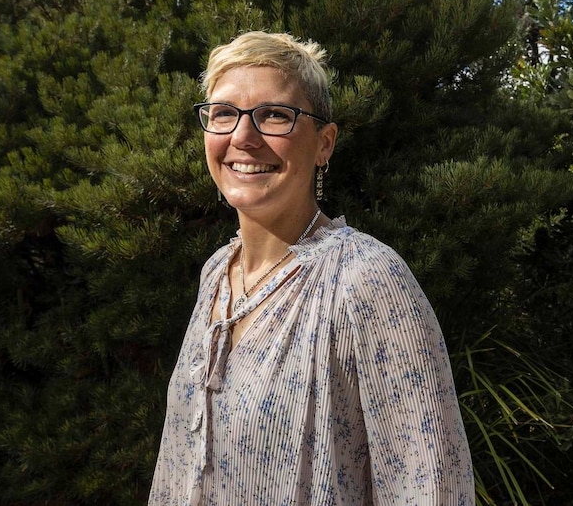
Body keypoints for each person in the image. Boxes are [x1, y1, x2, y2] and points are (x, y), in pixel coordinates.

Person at [148, 31, 475, 505]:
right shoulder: (217, 272)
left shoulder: (367, 279)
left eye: (274, 115)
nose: (242, 137)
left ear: (324, 143)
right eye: (223, 113)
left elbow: (430, 484)